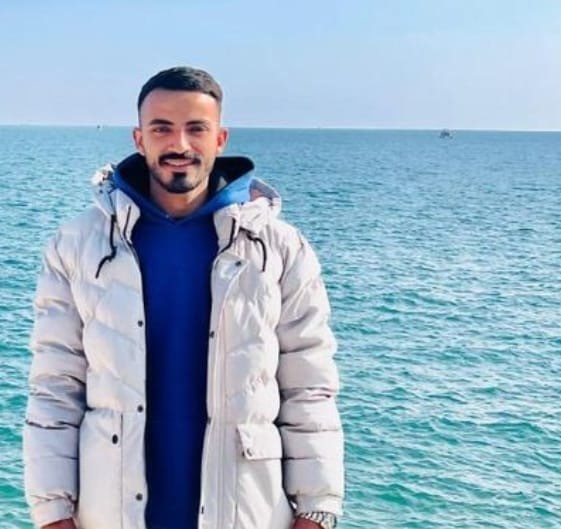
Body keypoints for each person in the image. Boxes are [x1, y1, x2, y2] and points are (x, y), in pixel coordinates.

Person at [23, 66, 344, 529]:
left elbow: (308, 387)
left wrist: (317, 509)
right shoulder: (76, 246)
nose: (179, 144)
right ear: (139, 139)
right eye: (162, 129)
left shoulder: (279, 248)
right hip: (111, 513)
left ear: (220, 139)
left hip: (246, 512)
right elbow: (55, 386)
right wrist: (52, 510)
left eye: (196, 128)